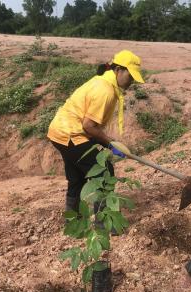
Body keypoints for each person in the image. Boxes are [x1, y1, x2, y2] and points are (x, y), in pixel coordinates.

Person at [47, 50, 144, 212]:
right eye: (130, 76)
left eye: (134, 77)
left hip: (59, 131)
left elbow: (90, 127)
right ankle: (105, 223)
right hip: (71, 134)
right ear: (118, 70)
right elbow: (88, 126)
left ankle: (72, 221)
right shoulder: (105, 90)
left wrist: (109, 144)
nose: (132, 81)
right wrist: (111, 144)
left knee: (77, 178)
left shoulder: (103, 82)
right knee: (105, 172)